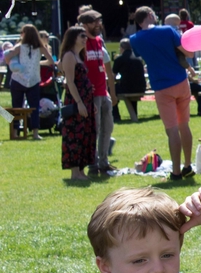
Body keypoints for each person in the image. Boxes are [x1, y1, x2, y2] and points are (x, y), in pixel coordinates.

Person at [130, 6, 196, 180]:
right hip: (180, 81)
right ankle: (188, 164)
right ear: (151, 15)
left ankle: (175, 171)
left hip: (161, 86)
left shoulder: (134, 39)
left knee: (172, 130)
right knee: (184, 125)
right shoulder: (168, 30)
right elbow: (188, 51)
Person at [78, 10, 118, 174]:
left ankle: (104, 162)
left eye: (98, 22)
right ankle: (92, 164)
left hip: (103, 92)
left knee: (107, 128)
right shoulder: (81, 42)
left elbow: (107, 69)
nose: (98, 25)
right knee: (93, 129)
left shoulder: (100, 41)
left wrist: (112, 92)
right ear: (85, 25)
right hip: (90, 94)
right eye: (94, 22)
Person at [3, 23, 54, 139]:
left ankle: (15, 132)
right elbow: (50, 61)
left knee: (16, 107)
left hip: (18, 80)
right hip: (34, 80)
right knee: (34, 107)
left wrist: (11, 63)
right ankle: (35, 133)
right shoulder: (41, 48)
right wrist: (37, 63)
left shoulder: (19, 47)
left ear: (24, 34)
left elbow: (7, 56)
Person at [58, 26, 96, 181]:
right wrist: (80, 103)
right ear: (73, 37)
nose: (85, 39)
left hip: (86, 100)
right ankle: (75, 172)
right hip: (75, 101)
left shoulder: (80, 55)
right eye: (82, 36)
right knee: (75, 134)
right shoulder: (69, 55)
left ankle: (81, 170)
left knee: (86, 135)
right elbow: (70, 82)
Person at [112, 39, 147, 123]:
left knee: (111, 90)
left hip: (127, 88)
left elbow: (112, 76)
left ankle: (115, 116)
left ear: (122, 48)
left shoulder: (120, 59)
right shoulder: (138, 58)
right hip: (141, 88)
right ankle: (134, 113)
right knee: (131, 84)